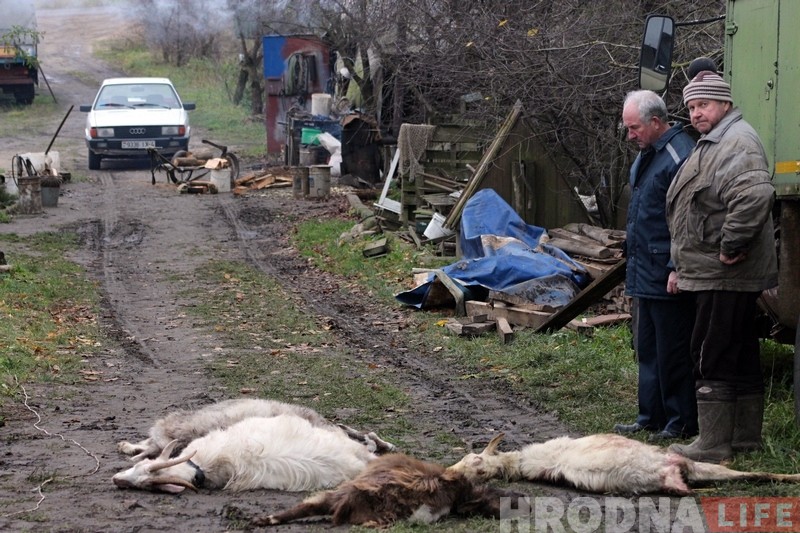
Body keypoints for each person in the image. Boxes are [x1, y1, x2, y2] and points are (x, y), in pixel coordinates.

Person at [665, 71, 778, 463]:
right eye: (692, 107)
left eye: (704, 105)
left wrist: (732, 245)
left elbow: (754, 194)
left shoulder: (736, 141)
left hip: (724, 270)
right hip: (715, 269)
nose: (696, 113)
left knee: (709, 353)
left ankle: (712, 443)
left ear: (724, 104)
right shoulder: (715, 141)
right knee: (739, 350)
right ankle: (744, 438)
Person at [613, 90, 698, 441]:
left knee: (672, 351)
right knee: (646, 348)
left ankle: (680, 421)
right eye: (627, 128)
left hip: (666, 272)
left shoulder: (680, 155)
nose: (630, 135)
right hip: (643, 270)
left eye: (634, 128)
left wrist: (678, 265)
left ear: (657, 122)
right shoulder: (648, 154)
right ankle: (650, 415)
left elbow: (689, 218)